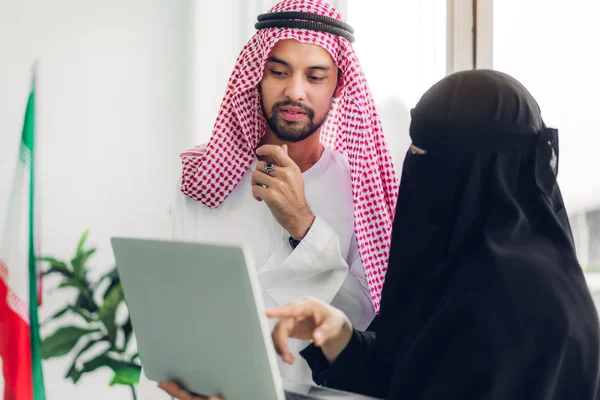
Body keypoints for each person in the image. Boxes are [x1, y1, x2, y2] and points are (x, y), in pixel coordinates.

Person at [263, 69, 600, 399]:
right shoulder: (470, 268)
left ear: (478, 174)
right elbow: (413, 369)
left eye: (427, 154)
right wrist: (340, 335)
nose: (413, 164)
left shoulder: (509, 305)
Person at [141, 0, 399, 398]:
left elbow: (363, 325)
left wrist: (304, 225)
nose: (294, 91)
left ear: (338, 86)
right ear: (256, 77)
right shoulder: (202, 177)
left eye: (315, 77)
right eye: (278, 72)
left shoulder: (362, 186)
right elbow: (172, 306)